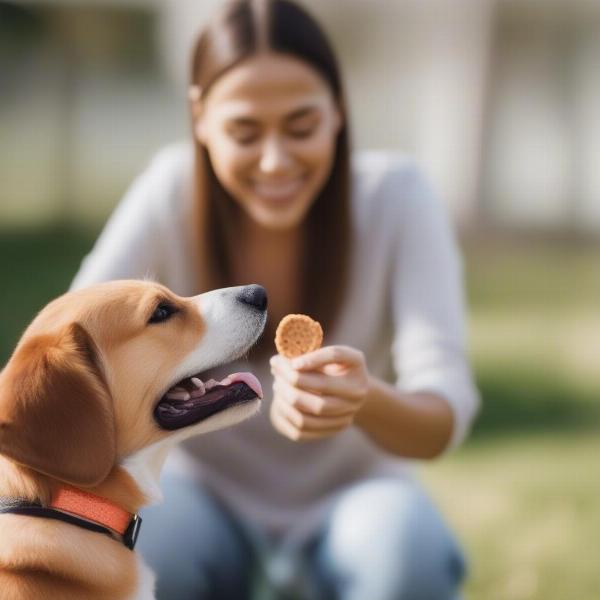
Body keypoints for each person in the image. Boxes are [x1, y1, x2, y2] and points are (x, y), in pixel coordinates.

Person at [71, 0, 480, 598]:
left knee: (406, 553)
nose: (275, 160)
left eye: (300, 126)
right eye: (244, 131)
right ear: (201, 118)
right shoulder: (170, 193)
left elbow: (443, 414)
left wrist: (363, 400)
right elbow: (75, 348)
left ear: (338, 110)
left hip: (357, 501)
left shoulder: (399, 197)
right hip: (200, 490)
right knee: (141, 542)